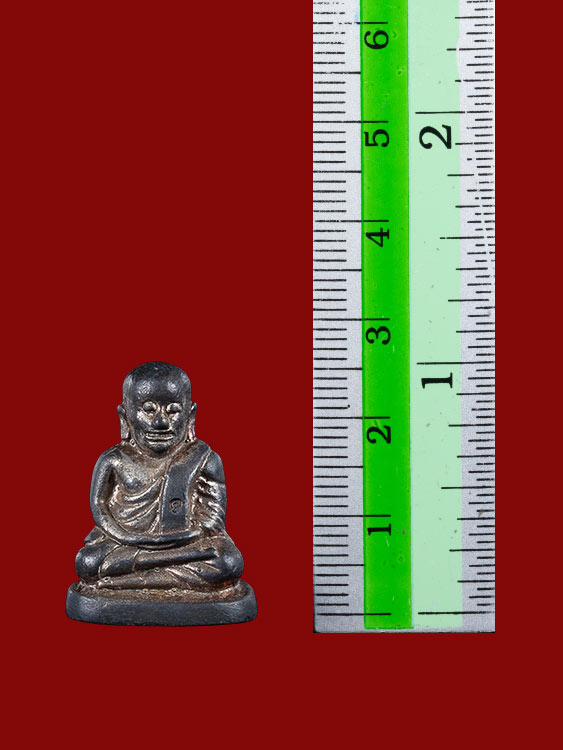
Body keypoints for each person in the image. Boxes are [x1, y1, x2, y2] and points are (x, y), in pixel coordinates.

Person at [74, 361, 244, 590]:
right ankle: (146, 575)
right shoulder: (113, 460)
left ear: (190, 415)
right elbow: (99, 506)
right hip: (125, 542)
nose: (161, 422)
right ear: (125, 416)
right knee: (88, 562)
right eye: (148, 410)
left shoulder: (204, 459)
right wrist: (128, 538)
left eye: (173, 410)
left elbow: (213, 519)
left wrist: (188, 536)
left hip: (184, 543)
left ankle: (124, 582)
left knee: (228, 562)